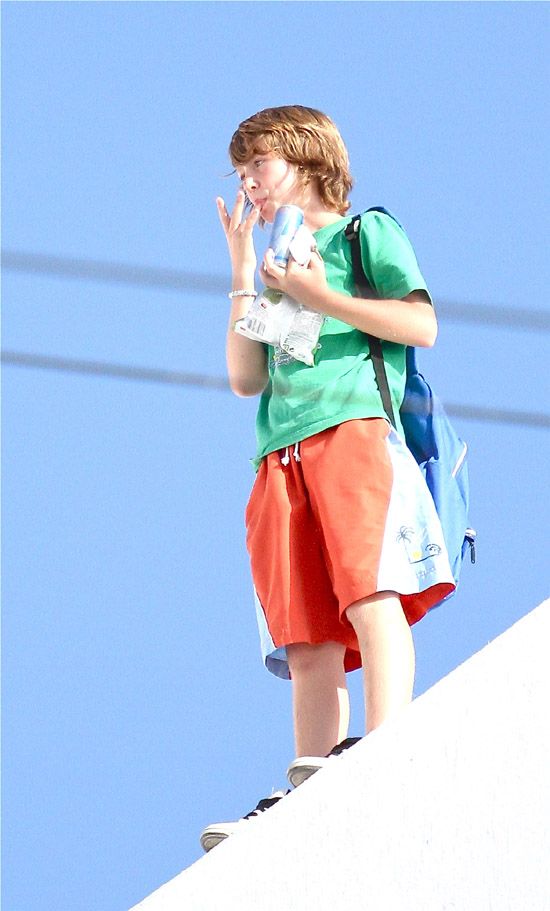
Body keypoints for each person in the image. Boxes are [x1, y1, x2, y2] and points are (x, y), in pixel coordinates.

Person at [199, 105, 455, 852]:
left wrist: (320, 298)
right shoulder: (278, 267)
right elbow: (247, 379)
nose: (248, 181)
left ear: (308, 159)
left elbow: (421, 325)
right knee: (306, 633)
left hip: (353, 432)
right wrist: (243, 271)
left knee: (369, 593)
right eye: (240, 169)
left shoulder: (363, 232)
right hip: (279, 458)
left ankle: (386, 740)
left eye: (259, 163)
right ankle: (310, 783)